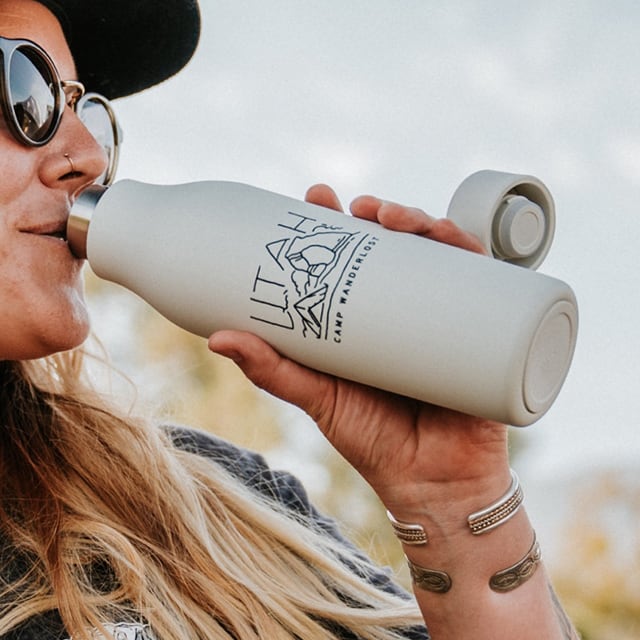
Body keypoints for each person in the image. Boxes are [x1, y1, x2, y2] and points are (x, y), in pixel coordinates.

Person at [0, 0, 581, 638]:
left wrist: (457, 509)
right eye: (26, 91)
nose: (86, 155)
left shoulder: (211, 512)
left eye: (90, 113)